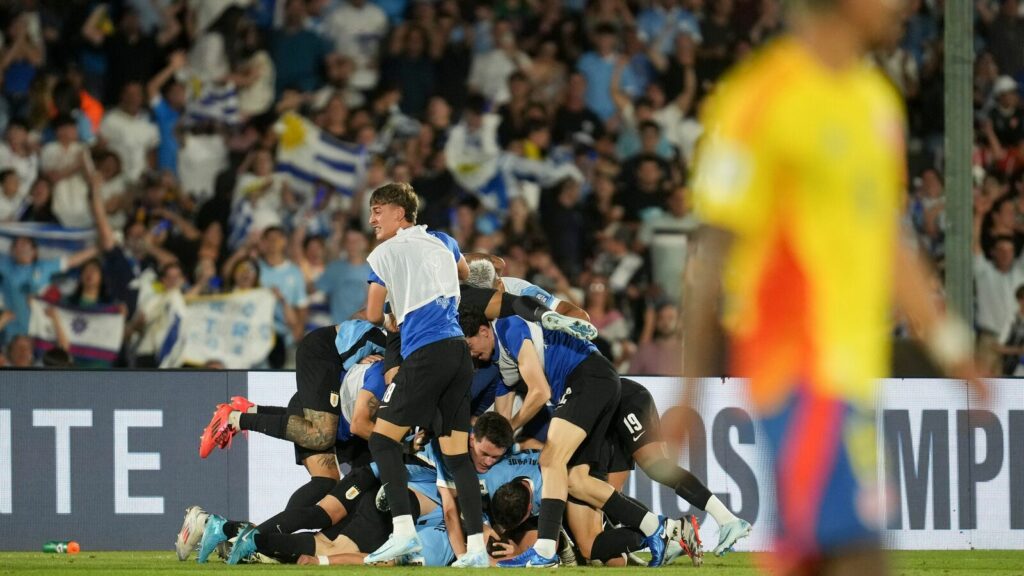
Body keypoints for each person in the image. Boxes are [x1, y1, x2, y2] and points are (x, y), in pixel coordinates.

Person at [683, 0, 985, 573]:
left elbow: (889, 241)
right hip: (797, 369)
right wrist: (691, 390)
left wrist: (951, 347)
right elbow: (712, 248)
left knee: (820, 557)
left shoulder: (877, 102)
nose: (906, 6)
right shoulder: (760, 98)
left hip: (852, 371)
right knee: (861, 557)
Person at [459, 310, 676, 568]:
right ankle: (656, 526)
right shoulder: (504, 366)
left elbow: (540, 392)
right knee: (575, 480)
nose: (471, 355)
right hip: (596, 381)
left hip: (586, 377)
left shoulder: (509, 328)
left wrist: (513, 427)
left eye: (470, 346)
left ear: (484, 331)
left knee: (551, 459)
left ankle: (546, 550)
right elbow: (501, 423)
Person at [356, 182, 489, 567]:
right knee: (457, 457)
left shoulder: (383, 253)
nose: (371, 220)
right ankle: (477, 550)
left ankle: (403, 533)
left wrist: (390, 317)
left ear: (400, 212)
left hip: (426, 355)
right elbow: (465, 272)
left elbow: (371, 315)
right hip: (457, 356)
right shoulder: (443, 240)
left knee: (382, 440)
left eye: (377, 210)